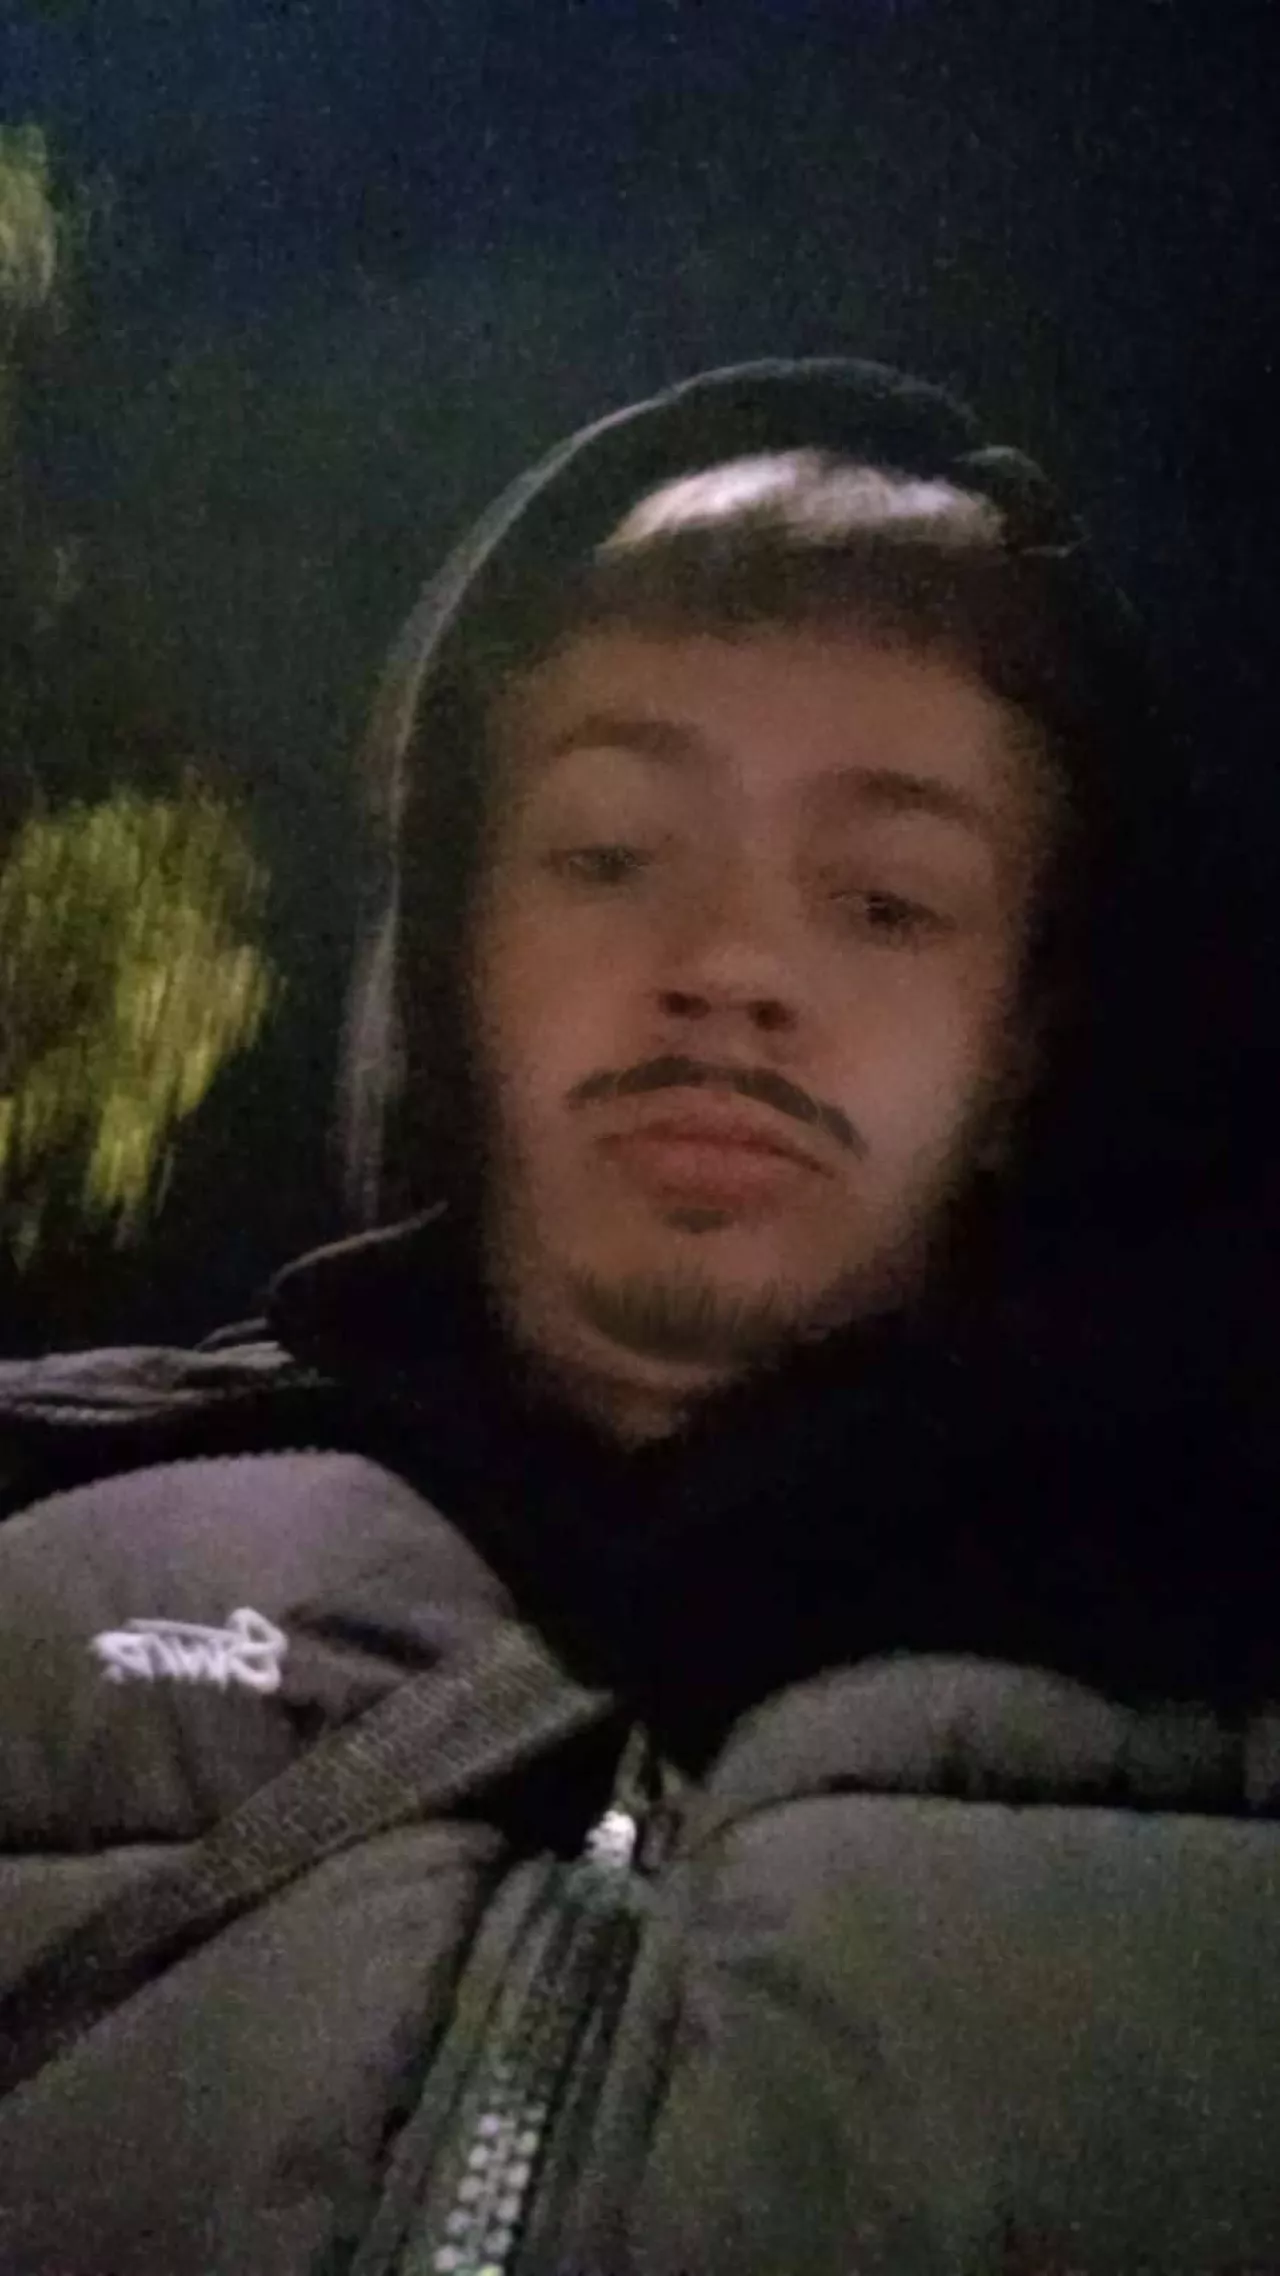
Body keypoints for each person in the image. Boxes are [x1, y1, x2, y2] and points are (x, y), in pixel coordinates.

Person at [1, 357, 1277, 2276]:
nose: (731, 966)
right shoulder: (36, 1552)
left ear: (1031, 1043)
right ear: (454, 955)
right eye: (607, 857)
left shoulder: (1223, 1665)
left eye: (888, 900)